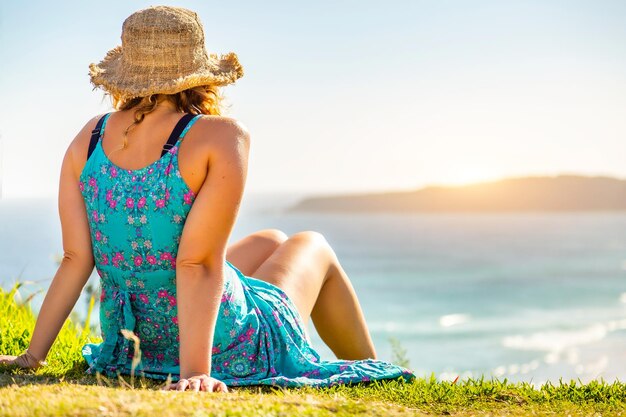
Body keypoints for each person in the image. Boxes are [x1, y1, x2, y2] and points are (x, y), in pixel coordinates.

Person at [0, 5, 416, 392]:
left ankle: (369, 370)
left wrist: (32, 356)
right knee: (313, 244)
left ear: (126, 72)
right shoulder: (220, 135)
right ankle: (374, 372)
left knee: (271, 239)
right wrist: (196, 373)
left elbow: (76, 258)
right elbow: (195, 262)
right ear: (199, 73)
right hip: (221, 346)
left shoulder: (88, 139)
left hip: (131, 348)